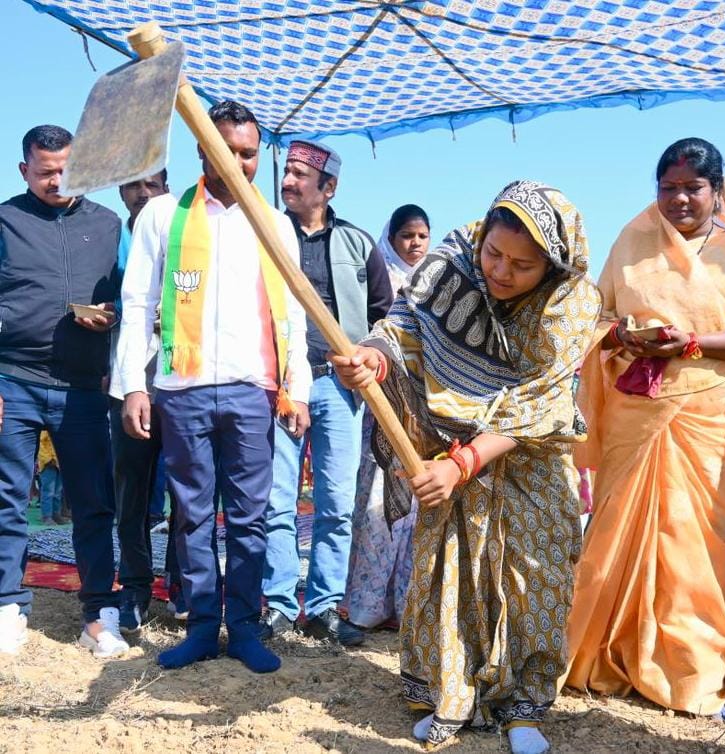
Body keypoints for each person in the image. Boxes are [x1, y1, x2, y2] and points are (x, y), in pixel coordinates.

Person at [332, 180, 600, 754]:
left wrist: (465, 463)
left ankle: (523, 705)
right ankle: (454, 695)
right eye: (494, 254)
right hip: (450, 442)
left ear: (551, 268)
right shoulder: (455, 259)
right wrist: (373, 358)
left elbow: (540, 400)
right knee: (452, 577)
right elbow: (404, 324)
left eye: (522, 266)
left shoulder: (574, 301)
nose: (500, 271)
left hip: (529, 458)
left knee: (534, 580)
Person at [565, 138, 725, 719]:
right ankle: (603, 655)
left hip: (710, 415)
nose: (679, 199)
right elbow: (596, 318)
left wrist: (692, 342)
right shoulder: (632, 243)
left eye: (693, 188)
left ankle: (689, 669)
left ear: (718, 191)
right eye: (668, 188)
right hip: (636, 411)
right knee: (614, 531)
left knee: (698, 544)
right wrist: (623, 336)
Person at [117, 101, 311, 673]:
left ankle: (245, 627)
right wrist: (134, 386)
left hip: (253, 390)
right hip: (183, 389)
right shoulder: (163, 214)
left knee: (251, 516)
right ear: (203, 147)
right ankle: (202, 626)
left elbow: (294, 312)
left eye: (248, 153)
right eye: (226, 149)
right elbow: (137, 303)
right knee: (191, 514)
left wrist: (297, 388)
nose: (238, 162)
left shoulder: (274, 224)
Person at [260, 139, 392, 646]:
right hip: (281, 384)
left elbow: (386, 317)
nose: (288, 181)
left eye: (300, 174)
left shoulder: (359, 244)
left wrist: (368, 354)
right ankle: (277, 603)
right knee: (278, 499)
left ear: (328, 187)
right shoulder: (267, 235)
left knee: (335, 502)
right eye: (287, 172)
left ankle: (322, 607)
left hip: (338, 387)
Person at [0, 125, 125, 658]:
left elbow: (127, 298)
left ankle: (98, 614)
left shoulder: (108, 224)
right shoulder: (5, 220)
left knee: (93, 504)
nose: (57, 181)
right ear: (24, 170)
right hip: (13, 380)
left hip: (82, 388)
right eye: (45, 172)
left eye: (67, 170)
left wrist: (110, 317)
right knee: (7, 500)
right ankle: (8, 607)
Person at [344, 204, 431, 629]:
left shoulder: (435, 285)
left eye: (422, 236)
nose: (415, 244)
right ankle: (367, 605)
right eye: (407, 236)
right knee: (378, 504)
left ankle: (404, 605)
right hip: (384, 406)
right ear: (391, 240)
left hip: (424, 410)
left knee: (415, 506)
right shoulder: (382, 281)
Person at [108, 170, 171, 634]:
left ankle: (184, 586)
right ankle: (134, 586)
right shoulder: (110, 237)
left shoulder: (184, 225)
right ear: (121, 191)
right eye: (134, 185)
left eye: (152, 184)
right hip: (127, 379)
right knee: (131, 492)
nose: (143, 193)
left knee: (189, 492)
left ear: (166, 187)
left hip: (183, 377)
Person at [37, 432, 64, 525]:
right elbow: (40, 445)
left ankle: (56, 515)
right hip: (48, 464)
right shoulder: (45, 430)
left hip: (60, 463)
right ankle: (47, 517)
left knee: (58, 492)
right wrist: (48, 460)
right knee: (48, 492)